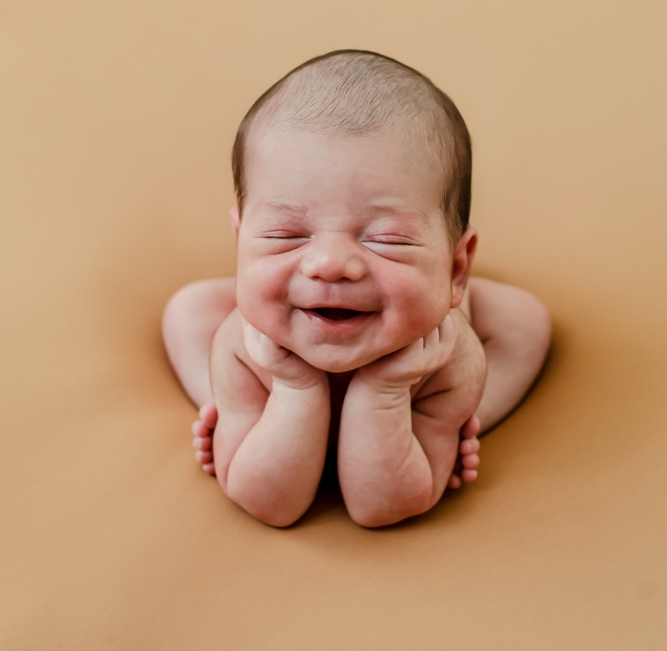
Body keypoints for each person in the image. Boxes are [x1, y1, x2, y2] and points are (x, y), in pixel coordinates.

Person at [162, 50, 551, 528]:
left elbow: (380, 507)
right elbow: (271, 504)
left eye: (386, 239)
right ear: (240, 240)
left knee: (526, 320)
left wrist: (387, 391)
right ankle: (227, 408)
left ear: (455, 268)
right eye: (287, 235)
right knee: (188, 310)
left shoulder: (447, 357)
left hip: (423, 342)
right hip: (282, 338)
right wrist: (293, 387)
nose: (330, 264)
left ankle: (464, 423)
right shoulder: (245, 346)